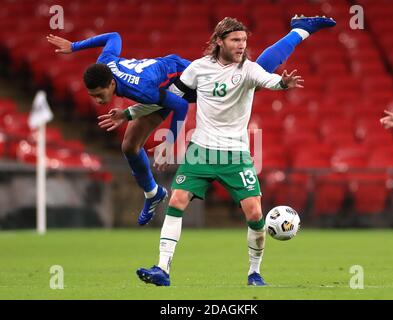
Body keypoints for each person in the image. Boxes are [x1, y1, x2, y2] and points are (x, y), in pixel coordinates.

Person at [47, 15, 335, 227]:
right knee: (130, 145)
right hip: (164, 85)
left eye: (100, 95)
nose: (97, 101)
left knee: (255, 75)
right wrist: (74, 46)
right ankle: (153, 193)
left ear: (110, 83)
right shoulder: (106, 64)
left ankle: (300, 30)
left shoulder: (141, 89)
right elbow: (113, 37)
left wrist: (170, 143)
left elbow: (178, 105)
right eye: (94, 97)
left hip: (185, 84)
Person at [136, 16, 336, 287]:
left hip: (235, 154)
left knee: (254, 214)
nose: (242, 45)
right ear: (219, 41)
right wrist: (134, 116)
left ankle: (254, 273)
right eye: (235, 40)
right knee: (176, 201)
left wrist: (282, 83)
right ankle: (162, 269)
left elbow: (269, 79)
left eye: (244, 40)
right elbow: (170, 97)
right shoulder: (198, 68)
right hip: (201, 151)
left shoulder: (249, 69)